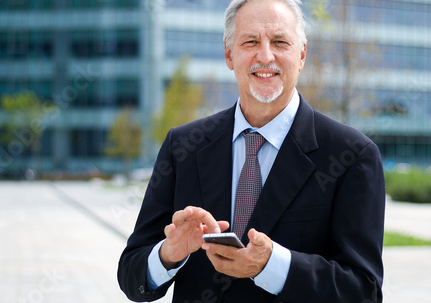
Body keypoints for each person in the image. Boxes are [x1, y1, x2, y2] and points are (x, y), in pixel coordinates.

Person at [118, 0, 385, 302]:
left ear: (301, 55)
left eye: (280, 42)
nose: (266, 55)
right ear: (229, 54)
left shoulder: (352, 155)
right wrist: (168, 254)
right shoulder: (182, 146)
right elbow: (131, 274)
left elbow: (364, 290)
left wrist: (274, 266)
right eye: (251, 41)